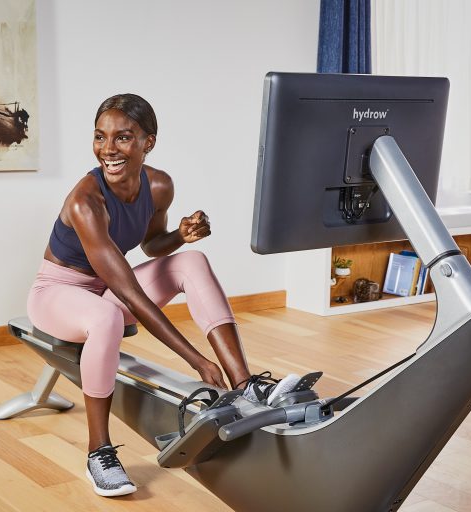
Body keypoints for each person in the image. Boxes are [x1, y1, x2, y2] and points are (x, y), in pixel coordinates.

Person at [27, 93, 300, 497]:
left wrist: (180, 236)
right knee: (108, 319)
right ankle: (98, 451)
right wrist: (195, 361)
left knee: (192, 260)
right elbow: (131, 294)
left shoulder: (159, 185)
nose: (108, 149)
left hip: (105, 291)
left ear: (147, 143)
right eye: (100, 137)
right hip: (58, 292)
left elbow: (152, 246)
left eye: (123, 138)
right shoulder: (87, 200)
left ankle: (245, 384)